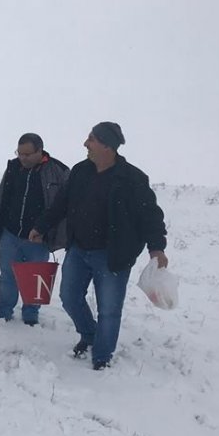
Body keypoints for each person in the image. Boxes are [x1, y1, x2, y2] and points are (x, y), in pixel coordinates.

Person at [31, 122, 168, 370]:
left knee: (109, 310)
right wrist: (41, 226)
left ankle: (102, 356)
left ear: (107, 146)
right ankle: (89, 334)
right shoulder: (80, 171)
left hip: (113, 255)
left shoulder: (133, 179)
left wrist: (157, 248)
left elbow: (151, 216)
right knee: (69, 297)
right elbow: (60, 204)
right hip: (79, 249)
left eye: (91, 140)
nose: (85, 144)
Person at [0, 133, 69, 325]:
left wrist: (52, 235)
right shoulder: (13, 168)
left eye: (27, 154)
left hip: (39, 238)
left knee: (35, 278)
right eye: (19, 153)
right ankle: (3, 312)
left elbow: (65, 208)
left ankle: (31, 314)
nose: (22, 158)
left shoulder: (58, 171)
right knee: (7, 275)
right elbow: (1, 199)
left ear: (40, 151)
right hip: (10, 233)